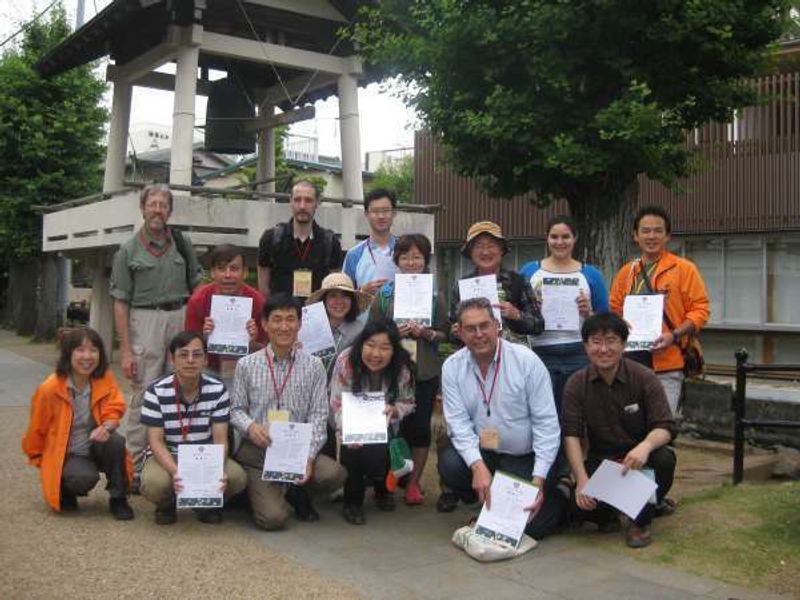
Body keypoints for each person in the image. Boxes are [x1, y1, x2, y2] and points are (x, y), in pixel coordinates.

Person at [437, 298, 563, 539]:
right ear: (460, 333)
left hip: (525, 456)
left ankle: (558, 493)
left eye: (484, 326)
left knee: (533, 528)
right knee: (451, 464)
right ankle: (491, 498)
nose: (479, 334)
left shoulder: (526, 361)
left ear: (497, 326)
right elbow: (458, 424)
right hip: (486, 451)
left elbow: (546, 425)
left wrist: (537, 482)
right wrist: (477, 467)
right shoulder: (452, 367)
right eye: (470, 329)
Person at [110, 183, 203, 486]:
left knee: (183, 391)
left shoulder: (181, 243)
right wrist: (125, 351)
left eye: (163, 205)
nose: (158, 210)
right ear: (142, 208)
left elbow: (197, 286)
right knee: (145, 394)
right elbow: (120, 303)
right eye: (153, 204)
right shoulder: (128, 250)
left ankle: (181, 466)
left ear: (170, 211)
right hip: (144, 320)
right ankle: (134, 470)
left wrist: (198, 325)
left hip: (180, 317)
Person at [231, 294, 346, 530]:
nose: (284, 327)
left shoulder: (314, 366)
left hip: (297, 448)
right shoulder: (246, 364)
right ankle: (260, 491)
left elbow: (318, 415)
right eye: (277, 320)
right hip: (259, 451)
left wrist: (309, 457)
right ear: (264, 324)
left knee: (334, 475)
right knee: (273, 520)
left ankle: (293, 488)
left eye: (290, 319)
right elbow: (236, 410)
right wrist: (251, 427)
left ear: (300, 323)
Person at [562, 312, 677, 548]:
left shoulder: (644, 377)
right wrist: (582, 479)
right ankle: (625, 510)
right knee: (579, 508)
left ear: (624, 344)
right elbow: (571, 435)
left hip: (641, 460)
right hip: (603, 462)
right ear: (585, 346)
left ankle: (640, 521)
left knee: (664, 457)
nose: (604, 349)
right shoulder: (576, 383)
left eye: (611, 341)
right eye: (596, 342)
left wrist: (645, 447)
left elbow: (666, 427)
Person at [369, 234, 449, 505]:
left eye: (417, 256)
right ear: (397, 260)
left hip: (423, 373)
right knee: (391, 426)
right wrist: (393, 332)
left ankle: (413, 483)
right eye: (405, 257)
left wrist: (425, 333)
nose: (411, 262)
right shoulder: (385, 294)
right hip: (390, 372)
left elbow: (445, 334)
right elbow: (372, 332)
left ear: (425, 260)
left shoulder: (435, 295)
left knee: (419, 429)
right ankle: (388, 480)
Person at [22, 327, 134, 520]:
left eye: (93, 350)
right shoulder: (50, 388)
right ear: (68, 353)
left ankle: (119, 498)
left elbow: (115, 408)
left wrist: (106, 427)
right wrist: (43, 461)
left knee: (116, 442)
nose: (87, 356)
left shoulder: (104, 378)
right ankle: (65, 487)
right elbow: (37, 429)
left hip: (96, 446)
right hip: (69, 454)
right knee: (82, 478)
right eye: (80, 350)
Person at [609, 205, 710, 416]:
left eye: (658, 231)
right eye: (645, 231)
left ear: (667, 236)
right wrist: (620, 323)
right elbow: (614, 309)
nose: (651, 236)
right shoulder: (627, 272)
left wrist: (674, 335)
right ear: (635, 235)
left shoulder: (684, 269)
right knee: (630, 426)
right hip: (629, 364)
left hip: (668, 362)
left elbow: (701, 310)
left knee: (662, 426)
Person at [139, 331, 247, 524]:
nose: (190, 360)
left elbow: (220, 439)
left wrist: (215, 470)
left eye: (197, 355)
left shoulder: (218, 390)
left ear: (205, 360)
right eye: (183, 354)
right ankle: (166, 504)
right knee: (155, 483)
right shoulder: (156, 391)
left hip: (204, 456)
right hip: (168, 454)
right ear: (172, 359)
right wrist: (176, 472)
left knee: (236, 477)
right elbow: (155, 441)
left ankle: (204, 501)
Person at [519, 215, 609, 413]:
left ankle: (572, 445)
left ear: (575, 238)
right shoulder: (529, 271)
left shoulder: (591, 274)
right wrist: (532, 308)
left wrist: (589, 312)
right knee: (544, 411)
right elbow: (517, 317)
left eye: (566, 237)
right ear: (547, 238)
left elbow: (606, 322)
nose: (560, 242)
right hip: (540, 351)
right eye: (554, 237)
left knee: (575, 412)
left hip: (579, 351)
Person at [330, 318, 416, 524]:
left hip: (385, 424)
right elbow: (336, 403)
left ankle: (383, 491)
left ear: (394, 349)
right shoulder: (346, 361)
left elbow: (409, 401)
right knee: (355, 452)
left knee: (385, 451)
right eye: (370, 345)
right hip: (351, 422)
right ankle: (352, 502)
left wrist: (395, 410)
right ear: (361, 344)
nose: (376, 354)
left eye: (384, 347)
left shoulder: (402, 368)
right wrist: (346, 429)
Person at [305, 273, 369, 460]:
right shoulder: (308, 327)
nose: (339, 301)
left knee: (351, 454)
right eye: (332, 296)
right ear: (324, 301)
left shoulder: (362, 331)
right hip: (313, 397)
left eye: (345, 296)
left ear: (352, 301)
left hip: (347, 397)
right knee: (321, 451)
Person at [450, 221, 544, 345]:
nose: (485, 252)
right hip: (475, 357)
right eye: (478, 246)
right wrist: (455, 331)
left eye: (491, 245)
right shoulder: (461, 286)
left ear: (501, 250)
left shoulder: (518, 281)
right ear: (470, 253)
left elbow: (538, 325)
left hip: (513, 358)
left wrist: (516, 315)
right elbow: (451, 329)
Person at [184, 244, 267, 382]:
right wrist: (203, 337)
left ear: (245, 272)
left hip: (248, 369)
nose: (228, 275)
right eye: (221, 269)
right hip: (208, 370)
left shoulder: (258, 301)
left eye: (234, 269)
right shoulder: (198, 300)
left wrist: (253, 342)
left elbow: (269, 350)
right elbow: (188, 347)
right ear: (212, 272)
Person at [257, 179, 343, 303]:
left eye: (308, 200)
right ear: (290, 201)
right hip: (282, 317)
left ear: (317, 203)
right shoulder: (271, 238)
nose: (302, 206)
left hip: (317, 317)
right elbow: (264, 290)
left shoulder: (330, 242)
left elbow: (334, 288)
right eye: (297, 200)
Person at [343, 188, 398, 297]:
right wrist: (362, 292)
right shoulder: (354, 255)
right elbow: (343, 295)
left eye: (386, 211)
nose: (381, 216)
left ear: (394, 213)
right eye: (375, 211)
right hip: (364, 313)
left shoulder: (406, 250)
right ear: (366, 214)